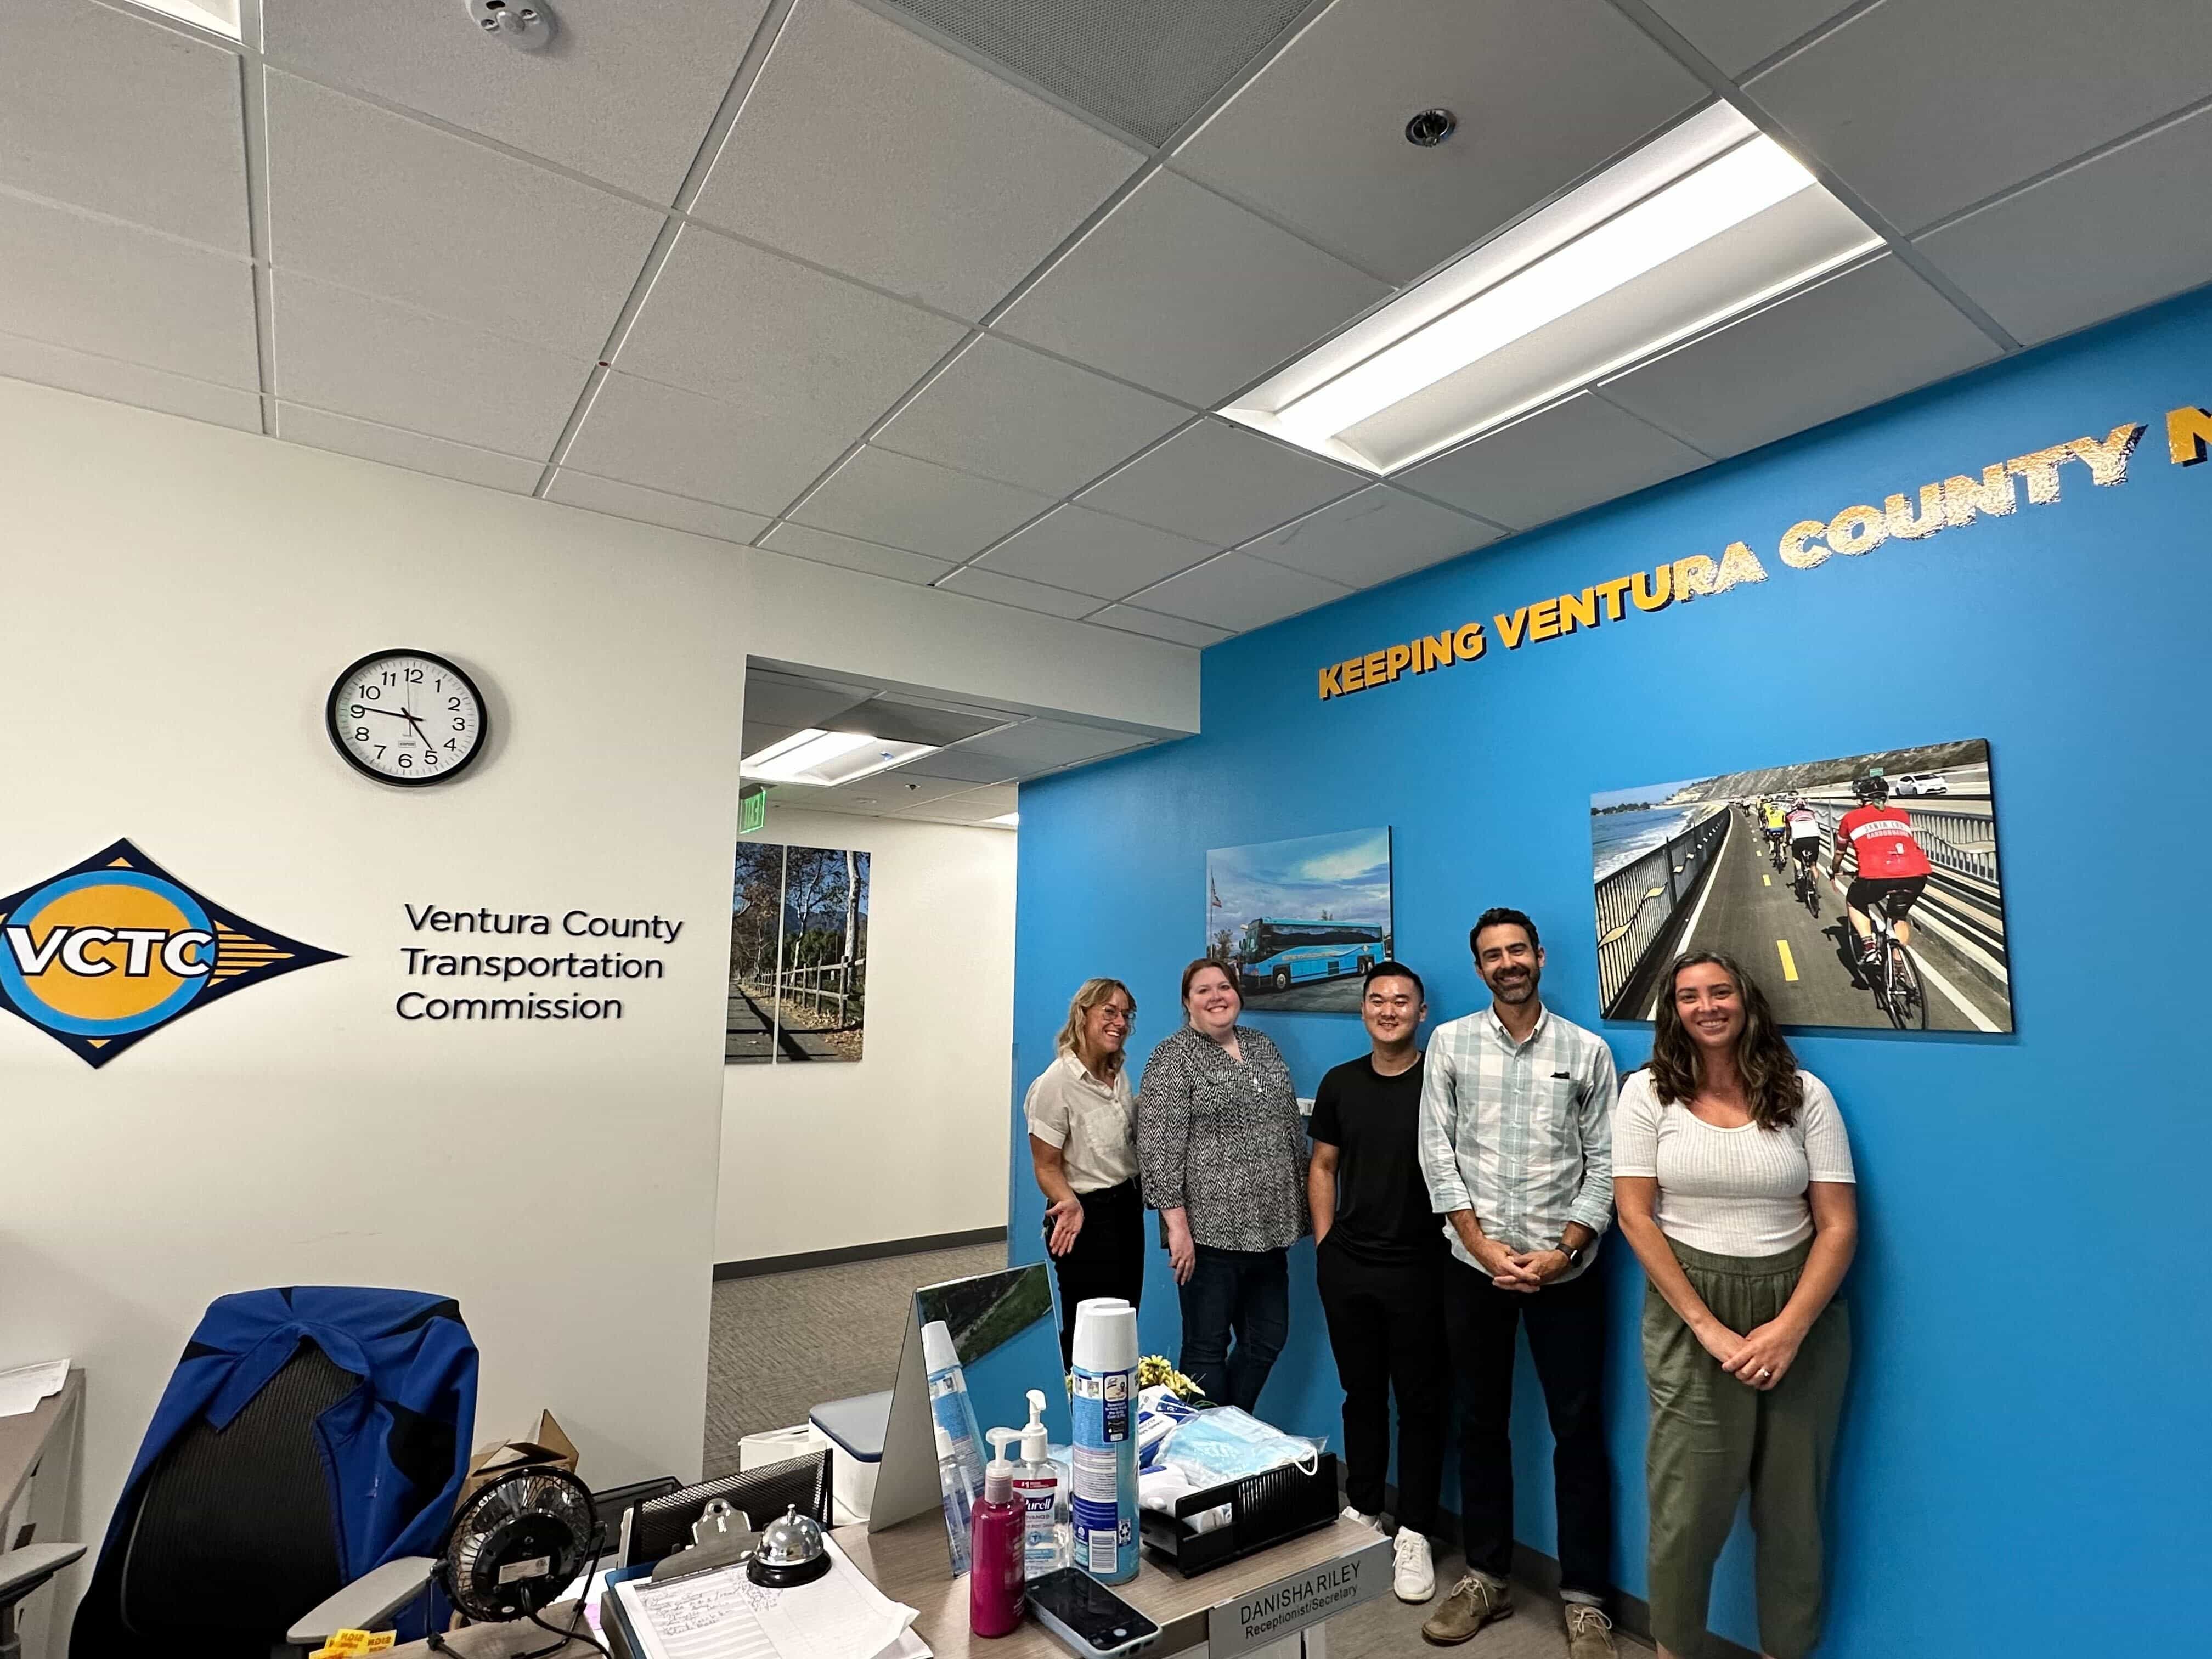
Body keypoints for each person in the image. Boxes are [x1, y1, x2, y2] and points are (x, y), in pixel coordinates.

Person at [1611, 952, 1857, 1659]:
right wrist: (1709, 1330)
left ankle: (1788, 1647)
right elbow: (1636, 1217)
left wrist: (1789, 1330)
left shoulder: (1805, 1093)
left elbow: (1838, 1225)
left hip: (1801, 1310)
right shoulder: (1647, 1095)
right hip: (1690, 1312)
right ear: (1674, 1012)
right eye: (1689, 996)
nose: (1707, 1006)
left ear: (1746, 1001)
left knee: (1794, 1513)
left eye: (1720, 992)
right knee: (1688, 1512)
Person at [1418, 909, 1619, 1659]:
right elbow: (1437, 1152)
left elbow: (1604, 1163)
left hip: (1567, 1272)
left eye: (1517, 951)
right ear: (1479, 970)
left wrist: (1565, 1251)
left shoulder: (1587, 1051)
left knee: (1579, 1432)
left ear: (1538, 957)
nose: (1508, 963)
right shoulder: (1450, 1043)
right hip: (1474, 1269)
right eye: (1492, 956)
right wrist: (1480, 1245)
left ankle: (1587, 1601)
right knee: (1479, 1423)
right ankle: (1488, 1578)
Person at [1308, 962, 1447, 1604]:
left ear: (1421, 1014)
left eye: (1401, 1001)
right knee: (1360, 1392)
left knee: (1420, 1403)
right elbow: (1323, 1164)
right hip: (1350, 1267)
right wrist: (1325, 1242)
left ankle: (1414, 1529)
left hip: (1423, 1267)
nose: (1388, 1010)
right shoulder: (1340, 1083)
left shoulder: (1441, 1081)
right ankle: (1363, 1507)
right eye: (1377, 1000)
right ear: (1363, 1010)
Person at [1136, 957, 1308, 1412]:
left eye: (1224, 987)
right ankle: (1207, 1456)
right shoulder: (1172, 1057)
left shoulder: (1261, 1045)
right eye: (1203, 990)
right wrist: (1177, 1229)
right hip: (1208, 1234)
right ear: (1187, 1002)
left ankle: (1228, 1423)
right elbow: (1157, 1146)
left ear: (1238, 993)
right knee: (1205, 1348)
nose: (1216, 997)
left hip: (1271, 1230)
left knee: (1267, 1338)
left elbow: (1289, 1126)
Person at [1025, 977, 1144, 1368]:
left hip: (1127, 1209)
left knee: (1124, 1326)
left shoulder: (1119, 1074)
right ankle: (1078, 1418)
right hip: (1084, 1218)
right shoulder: (1056, 1084)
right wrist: (1068, 1202)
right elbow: (1045, 1165)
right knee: (1089, 1334)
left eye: (1126, 1014)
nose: (1120, 1022)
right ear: (1083, 1014)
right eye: (1109, 1012)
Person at [1829, 769, 1932, 967]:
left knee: (1854, 901)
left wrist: (1834, 869)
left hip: (1876, 875)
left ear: (1861, 800)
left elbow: (1840, 852)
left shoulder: (1850, 819)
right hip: (1917, 873)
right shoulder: (1902, 815)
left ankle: (1869, 947)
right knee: (1898, 915)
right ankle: (1898, 964)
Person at [1784, 798, 1821, 884]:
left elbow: (1788, 831)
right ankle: (1815, 887)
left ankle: (1800, 872)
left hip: (1799, 839)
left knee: (1796, 856)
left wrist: (1787, 841)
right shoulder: (1811, 813)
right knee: (1813, 865)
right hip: (1814, 838)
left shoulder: (1789, 815)